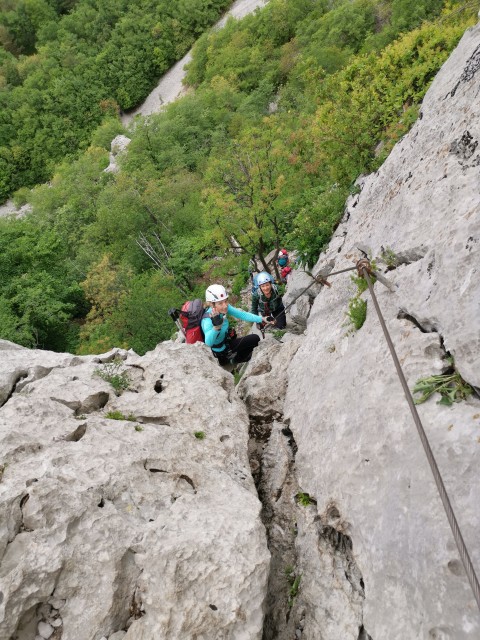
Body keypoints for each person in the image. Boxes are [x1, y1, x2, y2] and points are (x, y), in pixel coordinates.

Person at [202, 284, 271, 366]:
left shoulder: (224, 307)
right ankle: (231, 361)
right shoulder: (207, 320)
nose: (225, 306)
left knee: (255, 339)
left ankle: (236, 360)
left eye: (226, 301)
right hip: (219, 353)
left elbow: (242, 314)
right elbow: (208, 343)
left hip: (227, 343)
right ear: (212, 305)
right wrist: (216, 327)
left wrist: (262, 319)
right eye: (220, 303)